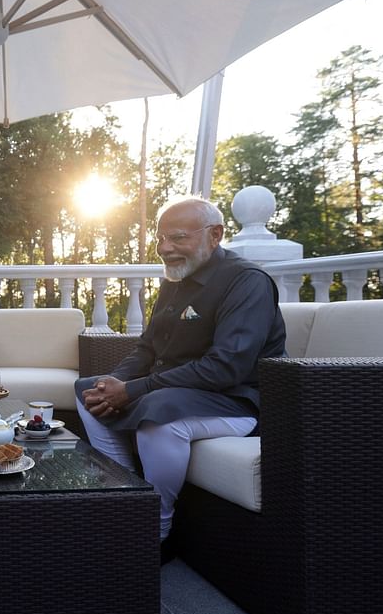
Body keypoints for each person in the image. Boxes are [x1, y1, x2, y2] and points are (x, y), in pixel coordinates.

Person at [75, 196, 286, 564]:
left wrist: (135, 390)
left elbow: (227, 367)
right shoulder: (176, 278)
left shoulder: (247, 282)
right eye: (160, 239)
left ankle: (157, 530)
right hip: (179, 391)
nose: (165, 249)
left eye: (177, 238)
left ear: (215, 235)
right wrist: (115, 380)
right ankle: (129, 494)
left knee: (159, 411)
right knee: (86, 389)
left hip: (237, 400)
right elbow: (146, 349)